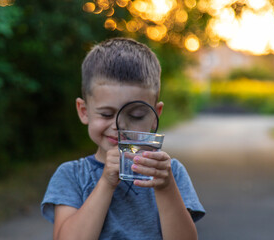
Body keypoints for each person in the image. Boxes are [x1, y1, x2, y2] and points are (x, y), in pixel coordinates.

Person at [41, 38, 205, 240]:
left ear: (155, 116)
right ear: (84, 112)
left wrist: (166, 187)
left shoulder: (171, 174)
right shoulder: (72, 175)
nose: (119, 126)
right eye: (106, 114)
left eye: (136, 115)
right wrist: (106, 183)